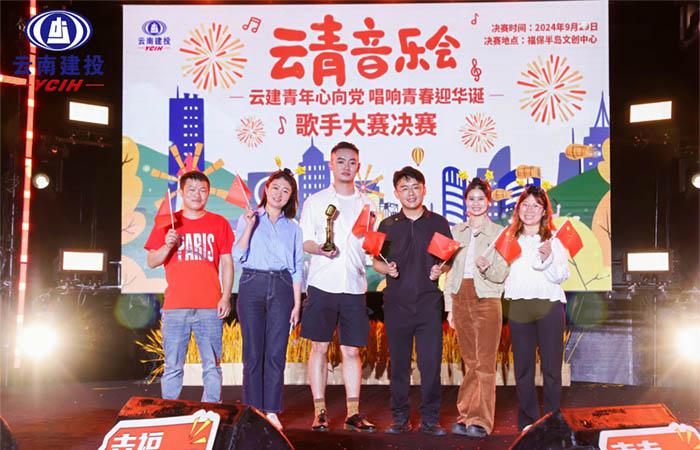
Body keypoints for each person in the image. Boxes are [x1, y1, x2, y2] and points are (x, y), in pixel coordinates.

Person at [299, 141, 376, 432]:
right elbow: (305, 240)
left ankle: (353, 412)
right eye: (340, 161)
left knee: (352, 351)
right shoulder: (315, 201)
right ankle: (319, 411)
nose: (346, 166)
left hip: (354, 284)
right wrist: (320, 249)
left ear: (358, 166)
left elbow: (370, 243)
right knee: (319, 347)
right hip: (322, 283)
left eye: (352, 162)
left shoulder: (368, 204)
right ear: (331, 165)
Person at [373, 166, 452, 436]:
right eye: (404, 188)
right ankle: (400, 419)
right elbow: (375, 261)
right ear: (396, 193)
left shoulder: (438, 223)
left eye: (415, 187)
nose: (410, 193)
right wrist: (386, 269)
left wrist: (441, 269)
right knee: (399, 366)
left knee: (430, 366)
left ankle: (431, 419)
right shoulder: (387, 225)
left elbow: (447, 260)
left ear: (424, 190)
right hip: (396, 305)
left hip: (428, 305)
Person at [144, 171, 234, 403]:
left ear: (208, 193)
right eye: (191, 190)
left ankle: (211, 410)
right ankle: (170, 409)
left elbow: (227, 262)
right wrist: (168, 245)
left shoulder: (219, 223)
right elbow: (152, 261)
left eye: (202, 190)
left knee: (212, 366)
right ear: (182, 193)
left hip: (210, 306)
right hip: (176, 307)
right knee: (173, 366)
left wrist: (225, 296)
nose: (197, 194)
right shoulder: (169, 222)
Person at [233, 169, 303, 431]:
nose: (279, 194)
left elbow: (297, 267)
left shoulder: (293, 228)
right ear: (266, 189)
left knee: (275, 352)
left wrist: (297, 304)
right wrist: (249, 227)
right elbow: (237, 254)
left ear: (290, 197)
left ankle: (272, 410)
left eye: (286, 191)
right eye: (276, 188)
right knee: (253, 352)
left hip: (282, 286)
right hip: (252, 283)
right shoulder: (249, 218)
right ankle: (253, 409)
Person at [443, 177, 508, 438]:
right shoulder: (455, 232)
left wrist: (487, 268)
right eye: (471, 199)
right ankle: (466, 414)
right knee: (470, 360)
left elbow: (502, 273)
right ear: (465, 202)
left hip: (487, 298)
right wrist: (450, 307)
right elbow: (449, 273)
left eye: (481, 199)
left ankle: (481, 419)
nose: (476, 203)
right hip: (461, 296)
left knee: (484, 361)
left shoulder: (500, 233)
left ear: (488, 202)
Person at [504, 185, 569, 432]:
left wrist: (546, 258)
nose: (530, 210)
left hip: (549, 305)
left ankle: (552, 421)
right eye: (525, 204)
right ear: (518, 208)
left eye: (536, 205)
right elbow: (501, 273)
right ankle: (528, 421)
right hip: (519, 306)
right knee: (523, 368)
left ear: (544, 212)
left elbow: (561, 276)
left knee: (552, 368)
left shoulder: (553, 240)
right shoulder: (509, 239)